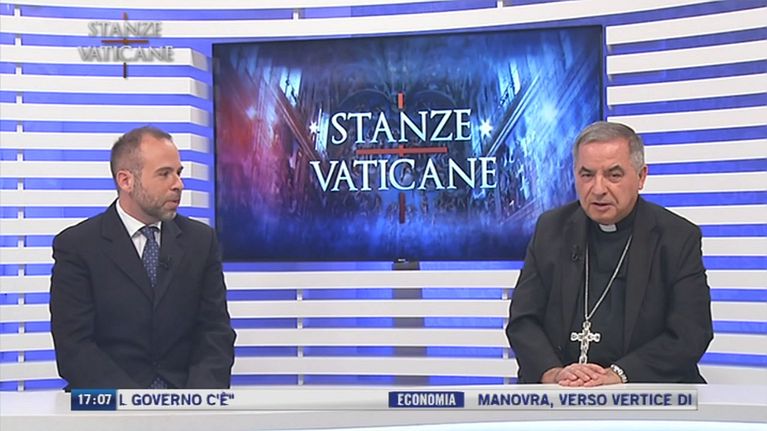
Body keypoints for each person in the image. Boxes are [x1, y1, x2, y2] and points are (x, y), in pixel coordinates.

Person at [506, 121, 712, 386]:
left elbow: (691, 333)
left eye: (614, 175)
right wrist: (553, 373)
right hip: (563, 394)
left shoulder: (676, 237)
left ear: (641, 177)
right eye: (587, 175)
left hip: (644, 393)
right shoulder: (551, 229)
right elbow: (523, 320)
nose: (599, 189)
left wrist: (618, 375)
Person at [50, 126, 236, 389]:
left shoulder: (200, 241)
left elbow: (215, 333)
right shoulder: (78, 246)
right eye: (164, 174)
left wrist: (196, 403)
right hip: (109, 402)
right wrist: (137, 404)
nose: (178, 185)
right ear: (126, 181)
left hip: (185, 401)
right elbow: (74, 347)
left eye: (178, 173)